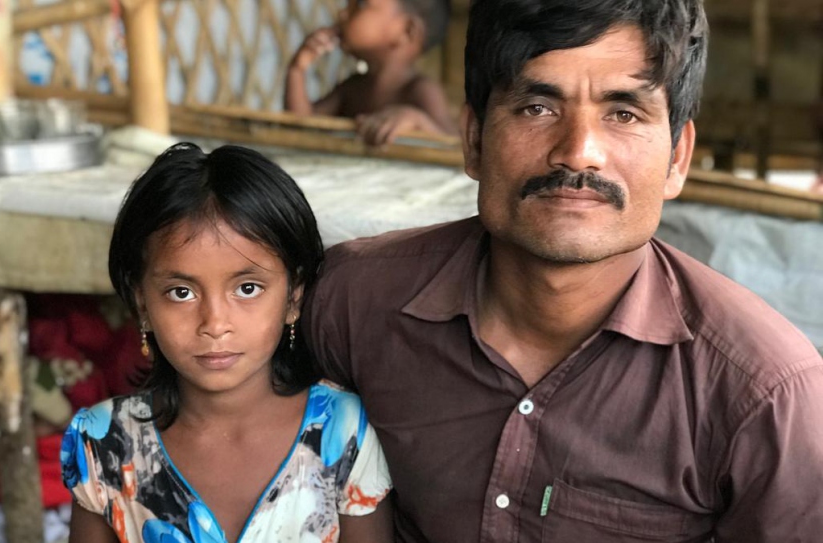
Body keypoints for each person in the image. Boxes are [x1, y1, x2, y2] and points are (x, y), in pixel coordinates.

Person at [302, 0, 823, 541]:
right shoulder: (350, 301)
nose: (578, 153)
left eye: (623, 113)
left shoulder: (764, 393)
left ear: (677, 159)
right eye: (537, 107)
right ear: (474, 139)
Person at [62, 143, 394, 543]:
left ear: (293, 298)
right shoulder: (103, 443)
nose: (215, 324)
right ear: (142, 303)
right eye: (181, 292)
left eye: (248, 288)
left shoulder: (343, 433)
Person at [284, 0, 454, 146]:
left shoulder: (420, 89)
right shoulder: (353, 87)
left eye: (361, 4)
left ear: (407, 31)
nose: (343, 13)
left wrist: (418, 121)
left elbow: (454, 147)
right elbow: (302, 127)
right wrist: (297, 70)